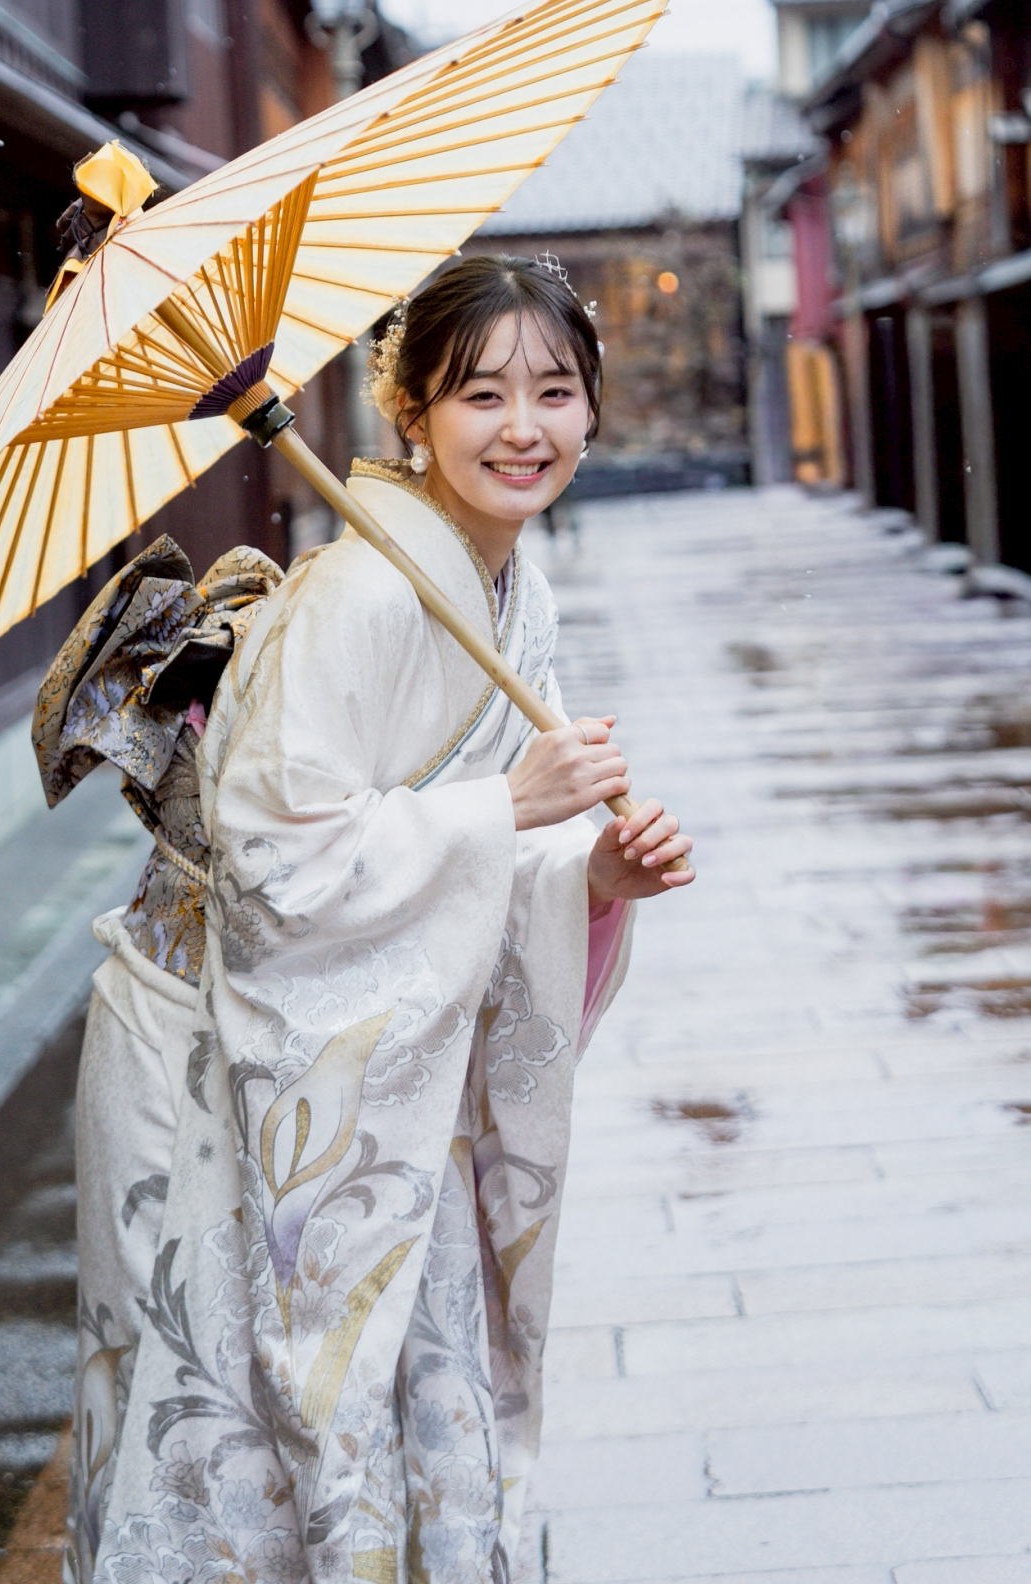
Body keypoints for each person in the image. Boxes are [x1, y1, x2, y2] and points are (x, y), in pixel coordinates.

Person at [49, 252, 694, 1584]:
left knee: (388, 1407)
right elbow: (271, 872)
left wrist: (589, 882)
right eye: (479, 396)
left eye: (554, 392)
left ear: (592, 409)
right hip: (214, 1064)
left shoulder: (509, 588)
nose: (522, 429)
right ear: (409, 410)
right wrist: (500, 814)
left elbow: (493, 852)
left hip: (369, 1057)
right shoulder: (359, 593)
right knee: (227, 1429)